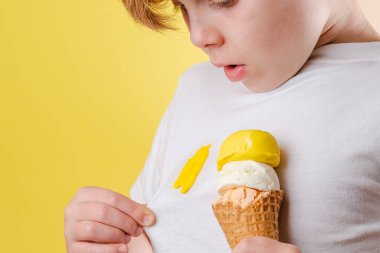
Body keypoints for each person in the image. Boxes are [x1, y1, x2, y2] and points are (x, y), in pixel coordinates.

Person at [64, 0, 380, 252]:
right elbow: (147, 232)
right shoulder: (195, 88)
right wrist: (106, 236)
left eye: (223, 0)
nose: (198, 36)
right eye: (182, 7)